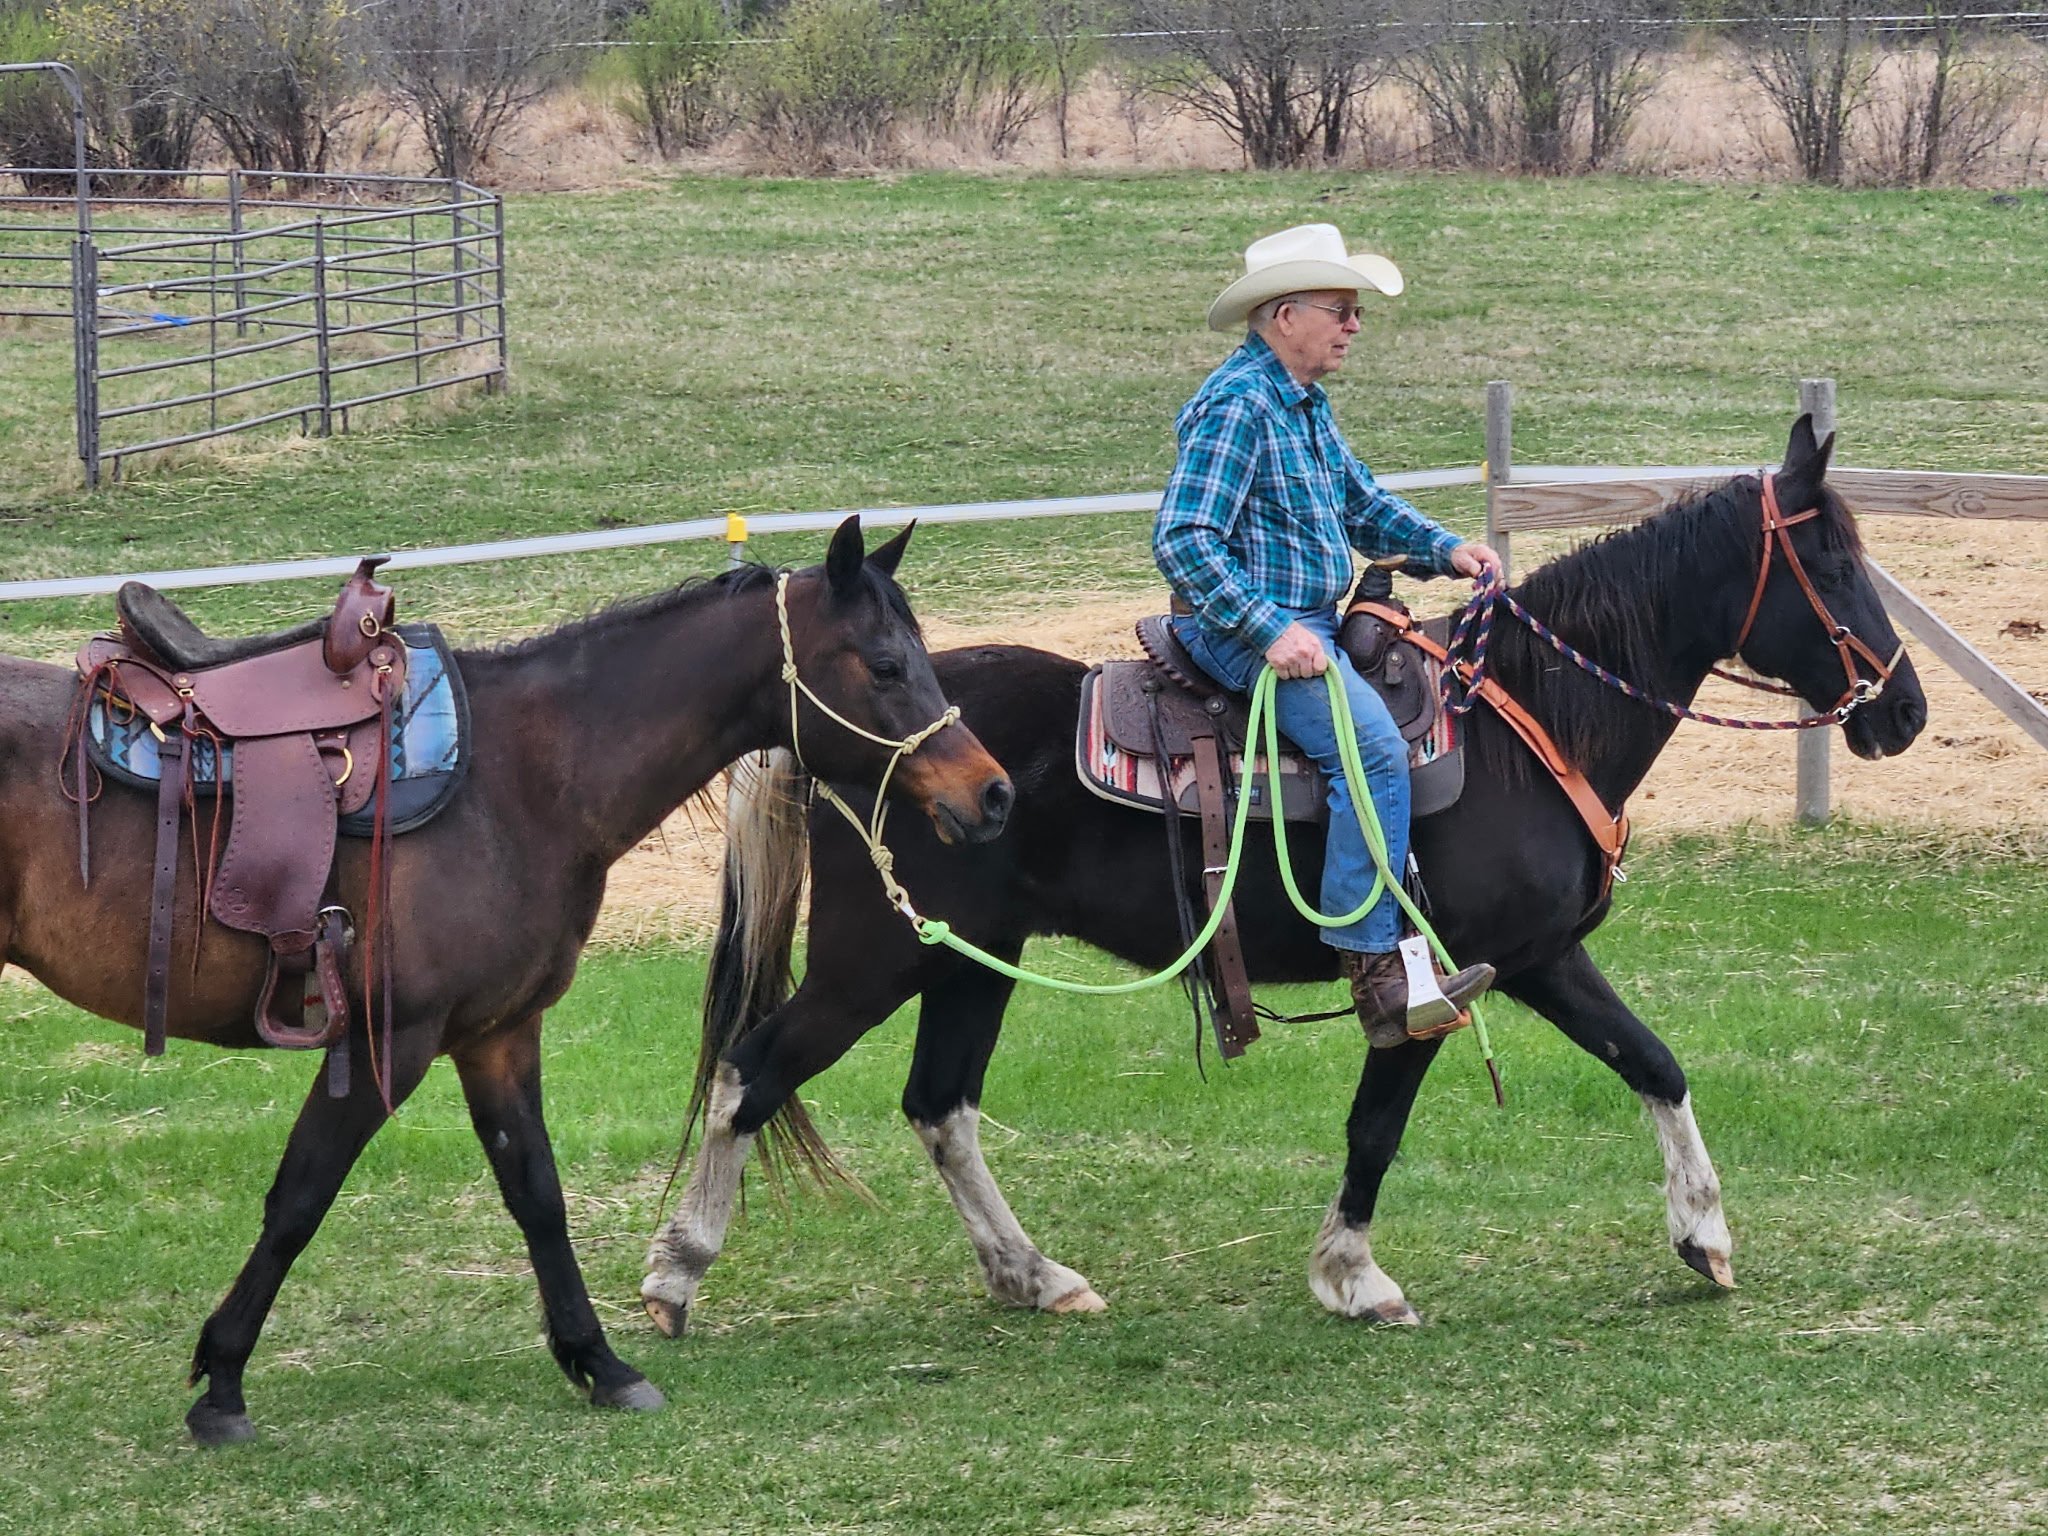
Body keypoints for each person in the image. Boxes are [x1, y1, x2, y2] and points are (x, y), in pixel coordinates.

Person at [1153, 223, 1502, 1048]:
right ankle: (1376, 974)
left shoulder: (1302, 404)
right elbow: (1183, 537)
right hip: (1243, 629)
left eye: (1354, 311)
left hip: (1307, 625)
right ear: (1283, 316)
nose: (1354, 326)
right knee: (1374, 750)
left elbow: (1362, 501)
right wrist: (1270, 629)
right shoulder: (1238, 405)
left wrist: (1446, 548)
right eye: (1341, 310)